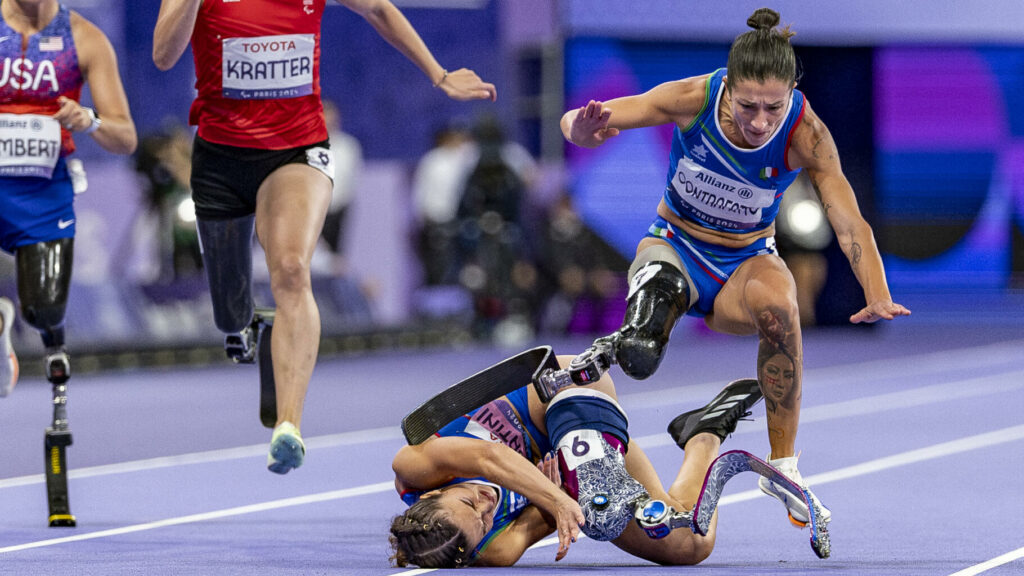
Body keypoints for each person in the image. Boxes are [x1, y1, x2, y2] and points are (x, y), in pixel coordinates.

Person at [560, 8, 911, 527]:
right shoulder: (691, 98)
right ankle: (633, 334)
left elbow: (850, 221)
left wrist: (875, 290)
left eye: (775, 106)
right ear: (728, 89)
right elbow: (584, 124)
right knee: (640, 357)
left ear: (793, 91)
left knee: (781, 306)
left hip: (744, 263)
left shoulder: (806, 132)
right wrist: (582, 130)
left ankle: (785, 466)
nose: (760, 121)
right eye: (748, 105)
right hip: (674, 247)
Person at [152, 0, 497, 474]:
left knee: (292, 270)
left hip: (298, 147)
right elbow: (164, 56)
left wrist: (438, 74)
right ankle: (247, 326)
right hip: (221, 156)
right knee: (229, 314)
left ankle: (288, 426)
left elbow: (377, 9)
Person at [389, 355, 763, 568]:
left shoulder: (413, 468)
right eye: (484, 523)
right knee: (688, 546)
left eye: (470, 503)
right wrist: (557, 495)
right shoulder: (496, 549)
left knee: (584, 458)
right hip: (579, 464)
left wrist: (555, 498)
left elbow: (490, 457)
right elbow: (555, 515)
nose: (487, 508)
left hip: (560, 391)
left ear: (430, 495)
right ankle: (705, 434)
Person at [0, 0, 137, 398]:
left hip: (44, 193)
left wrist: (89, 120)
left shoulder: (85, 39)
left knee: (44, 312)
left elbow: (125, 136)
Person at [319, 99, 362, 264]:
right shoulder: (309, 145)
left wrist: (345, 202)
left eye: (331, 116)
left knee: (336, 256)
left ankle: (332, 287)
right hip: (314, 209)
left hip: (339, 208)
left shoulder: (348, 145)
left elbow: (351, 177)